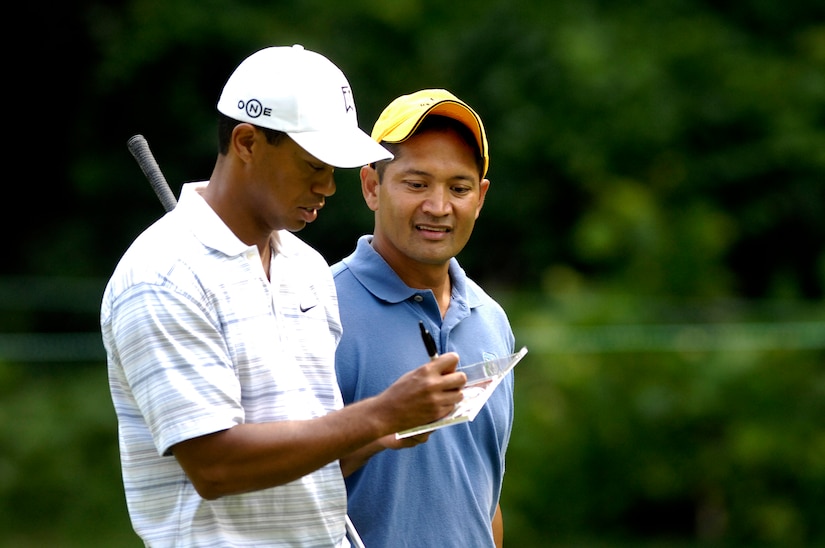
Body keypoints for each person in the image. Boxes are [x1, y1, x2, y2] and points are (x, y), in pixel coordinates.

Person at [101, 46, 467, 547]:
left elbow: (306, 457)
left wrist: (375, 436)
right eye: (313, 165)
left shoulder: (307, 269)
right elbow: (216, 467)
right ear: (248, 142)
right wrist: (379, 412)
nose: (328, 187)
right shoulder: (161, 276)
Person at [333, 89, 516, 548]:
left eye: (459, 188)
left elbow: (484, 498)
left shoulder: (491, 320)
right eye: (416, 184)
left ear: (481, 196)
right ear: (372, 186)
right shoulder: (315, 307)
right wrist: (380, 426)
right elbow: (275, 485)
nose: (438, 207)